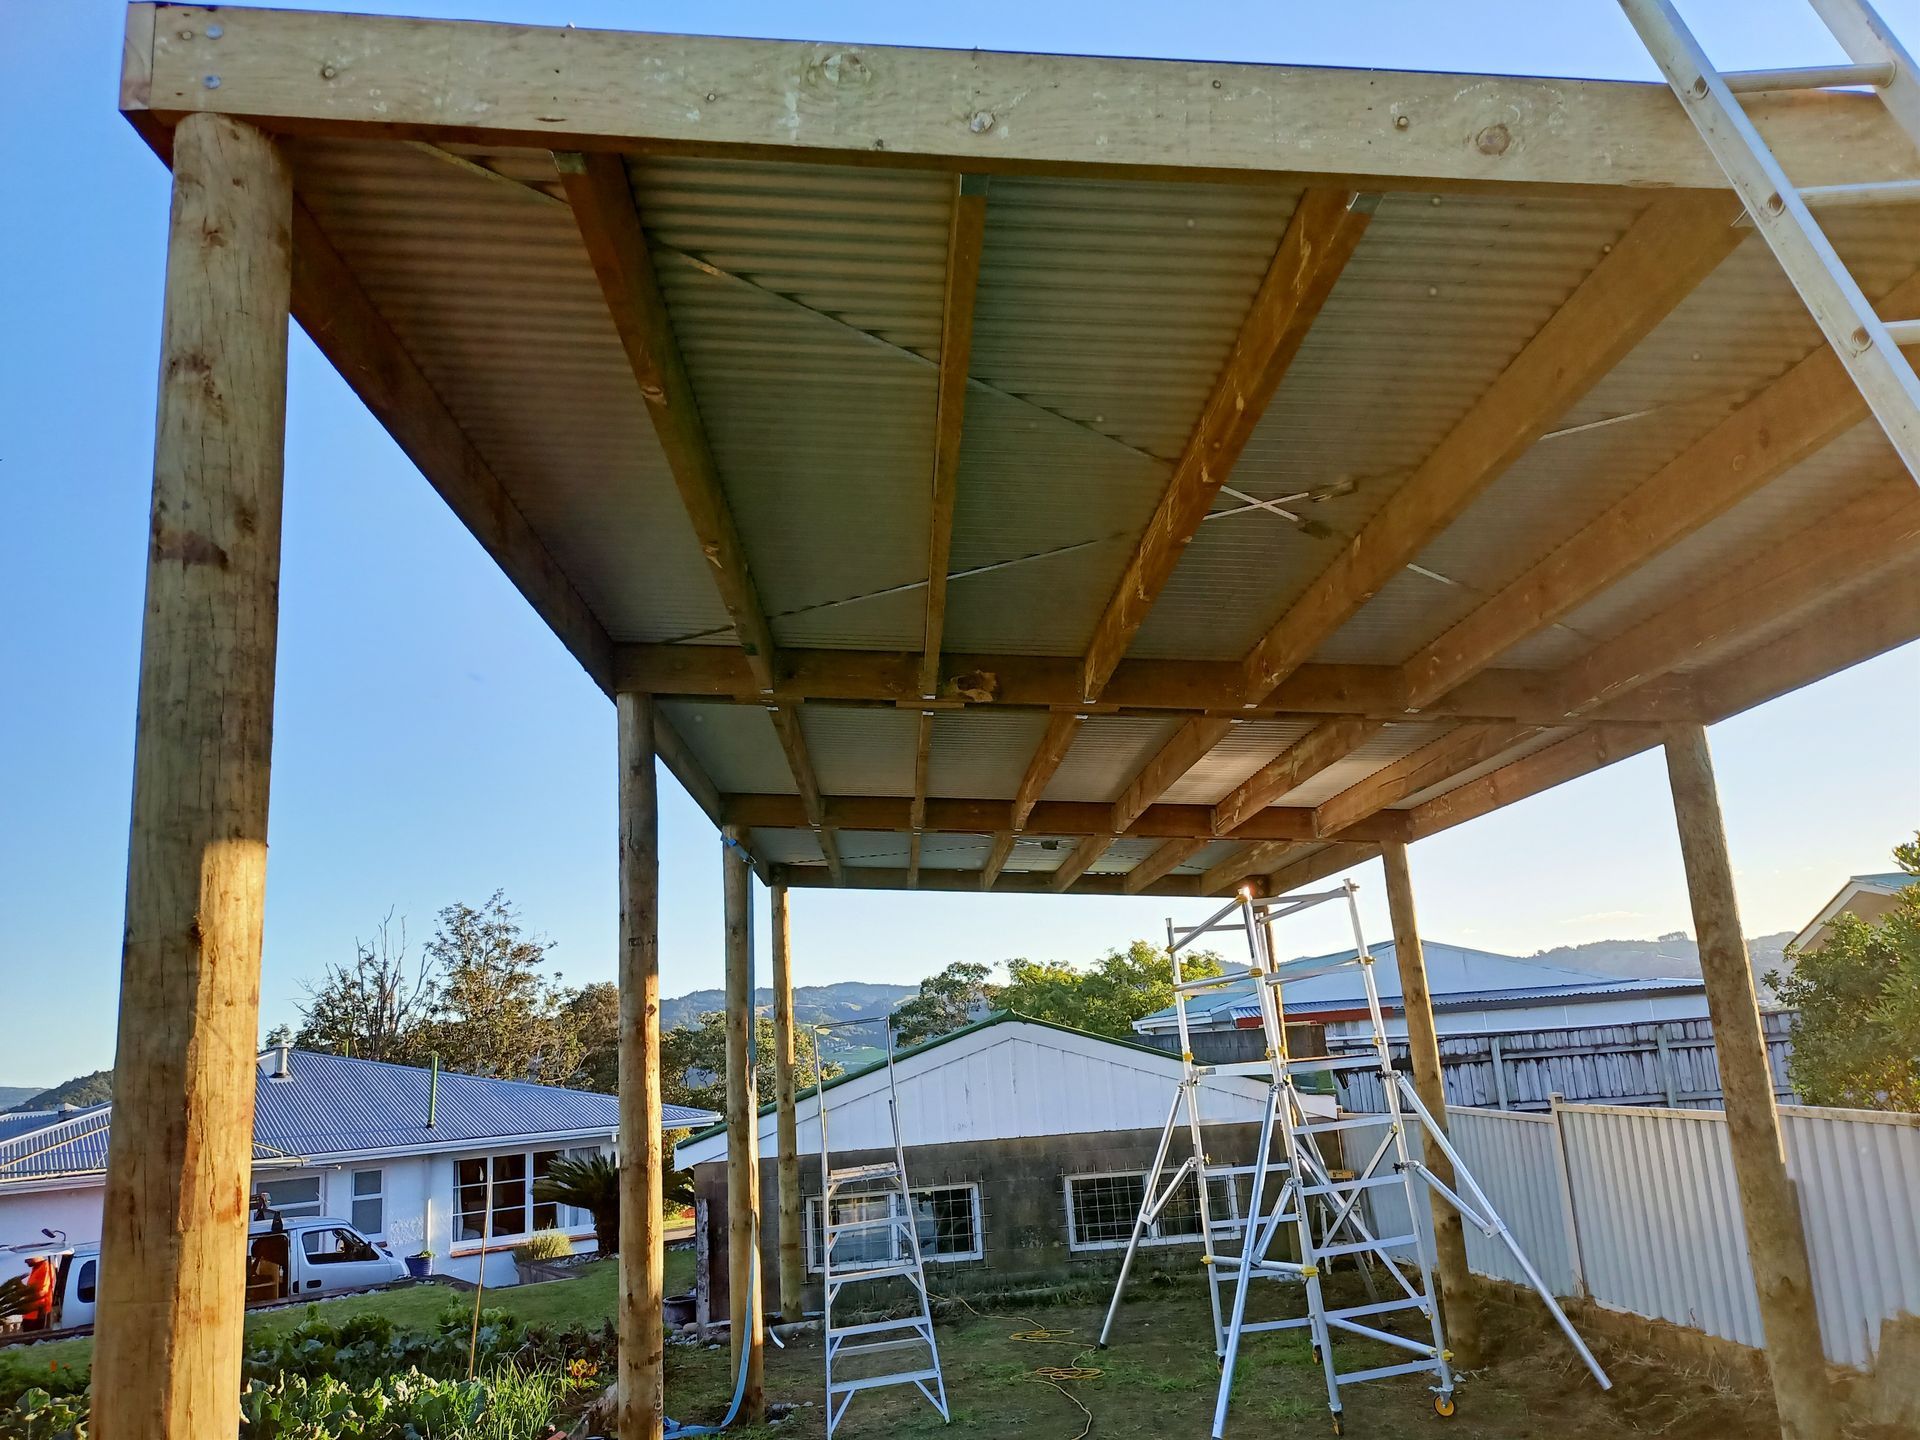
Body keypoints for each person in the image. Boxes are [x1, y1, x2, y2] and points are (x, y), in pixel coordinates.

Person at [20, 1255, 55, 1332]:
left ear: (36, 1255)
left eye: (28, 1258)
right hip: (30, 1314)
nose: (25, 1261)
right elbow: (32, 1290)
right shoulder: (36, 1268)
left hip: (38, 1314)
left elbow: (42, 1292)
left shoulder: (46, 1267)